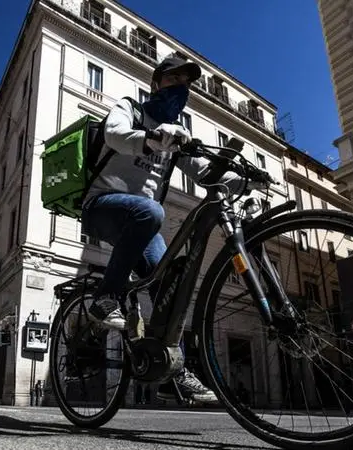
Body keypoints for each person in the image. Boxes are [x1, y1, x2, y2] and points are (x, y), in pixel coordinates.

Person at [79, 54, 261, 404]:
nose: (180, 88)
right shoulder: (131, 108)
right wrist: (152, 138)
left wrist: (245, 181)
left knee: (170, 287)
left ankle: (172, 369)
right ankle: (105, 298)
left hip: (141, 222)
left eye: (185, 84)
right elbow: (114, 135)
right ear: (156, 84)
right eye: (172, 80)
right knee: (150, 211)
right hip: (101, 206)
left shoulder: (181, 136)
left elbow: (206, 175)